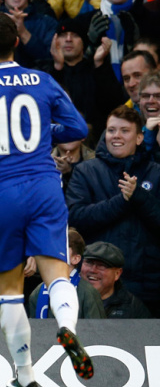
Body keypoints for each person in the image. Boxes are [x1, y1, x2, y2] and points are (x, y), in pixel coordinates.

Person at [0, 12, 92, 387]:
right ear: (15, 42)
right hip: (45, 187)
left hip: (0, 192)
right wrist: (42, 131)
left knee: (9, 291)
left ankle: (25, 376)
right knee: (57, 275)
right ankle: (67, 327)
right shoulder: (42, 80)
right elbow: (78, 128)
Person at [66, 105, 160, 317]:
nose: (116, 135)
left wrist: (139, 197)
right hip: (96, 285)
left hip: (148, 287)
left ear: (139, 138)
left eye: (125, 131)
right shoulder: (85, 171)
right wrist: (122, 201)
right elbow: (76, 218)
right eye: (111, 130)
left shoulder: (156, 172)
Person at [28, 228, 106, 319]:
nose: (53, 253)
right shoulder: (37, 292)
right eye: (50, 249)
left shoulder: (88, 293)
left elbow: (97, 327)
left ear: (75, 259)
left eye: (60, 249)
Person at [79, 241, 153, 319]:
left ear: (117, 273)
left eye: (102, 265)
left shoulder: (133, 307)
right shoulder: (70, 298)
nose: (93, 270)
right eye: (89, 263)